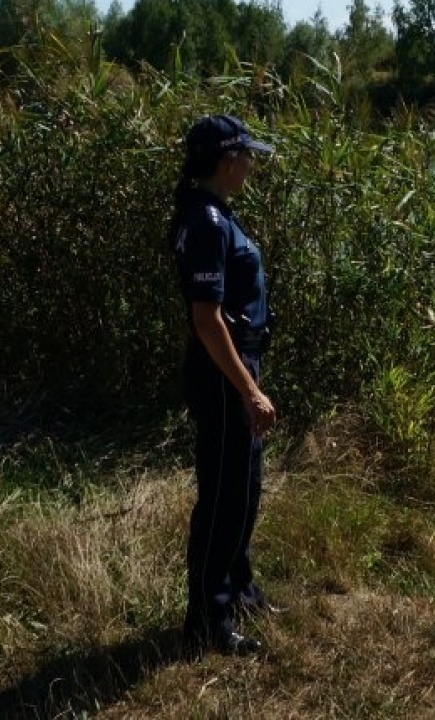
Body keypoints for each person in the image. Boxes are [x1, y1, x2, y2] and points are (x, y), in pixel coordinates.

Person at [170, 114, 279, 656]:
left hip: (234, 368)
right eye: (246, 154)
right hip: (222, 376)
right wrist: (248, 390)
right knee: (221, 498)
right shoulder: (208, 220)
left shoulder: (214, 213)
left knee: (245, 486)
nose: (252, 163)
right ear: (226, 159)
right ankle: (207, 621)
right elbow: (207, 320)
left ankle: (239, 588)